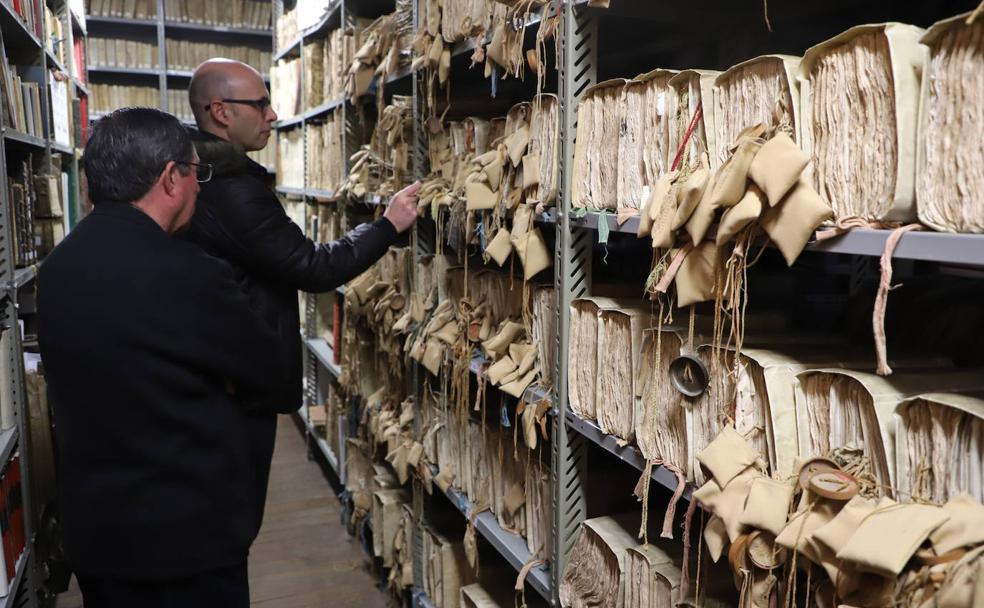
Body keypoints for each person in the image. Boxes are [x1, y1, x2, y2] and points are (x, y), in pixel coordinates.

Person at [37, 108, 288, 606]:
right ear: (172, 178)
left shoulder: (57, 267)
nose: (201, 187)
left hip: (99, 538)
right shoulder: (194, 274)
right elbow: (275, 379)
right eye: (198, 173)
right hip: (187, 542)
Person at [184, 58, 419, 526]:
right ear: (221, 111)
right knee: (235, 521)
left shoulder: (203, 176)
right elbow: (313, 266)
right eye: (261, 104)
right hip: (241, 384)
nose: (273, 115)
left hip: (221, 374)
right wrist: (388, 224)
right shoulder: (233, 189)